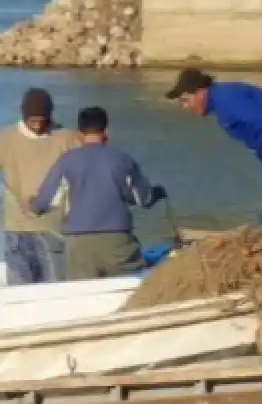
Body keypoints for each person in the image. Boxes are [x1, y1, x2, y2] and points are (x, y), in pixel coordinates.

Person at [27, 106, 167, 280]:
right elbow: (144, 199)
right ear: (107, 131)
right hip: (117, 241)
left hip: (79, 245)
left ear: (79, 134)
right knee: (128, 290)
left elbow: (42, 204)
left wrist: (32, 203)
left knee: (84, 295)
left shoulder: (66, 161)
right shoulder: (122, 159)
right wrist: (158, 192)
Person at [165, 68, 262, 225]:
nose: (185, 107)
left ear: (200, 92)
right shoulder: (220, 101)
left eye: (185, 100)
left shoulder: (226, 100)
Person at [0, 88, 81, 284]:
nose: (37, 126)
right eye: (32, 121)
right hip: (16, 227)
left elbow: (84, 174)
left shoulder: (66, 138)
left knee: (54, 285)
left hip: (52, 227)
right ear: (23, 115)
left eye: (42, 121)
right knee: (20, 288)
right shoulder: (5, 138)